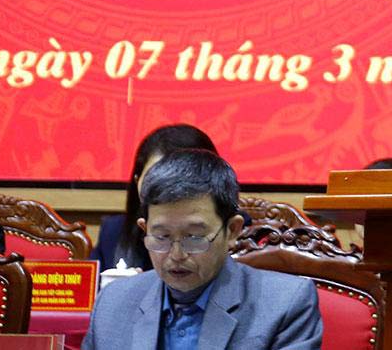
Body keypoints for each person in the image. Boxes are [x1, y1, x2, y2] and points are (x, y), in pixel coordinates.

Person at [82, 149, 322, 349]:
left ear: (233, 230)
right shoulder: (112, 304)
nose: (176, 255)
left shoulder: (285, 303)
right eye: (162, 237)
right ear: (144, 229)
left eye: (194, 237)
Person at [92, 124, 219, 272]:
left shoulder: (242, 235)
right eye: (154, 181)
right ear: (137, 181)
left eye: (181, 181)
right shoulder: (113, 232)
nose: (168, 192)